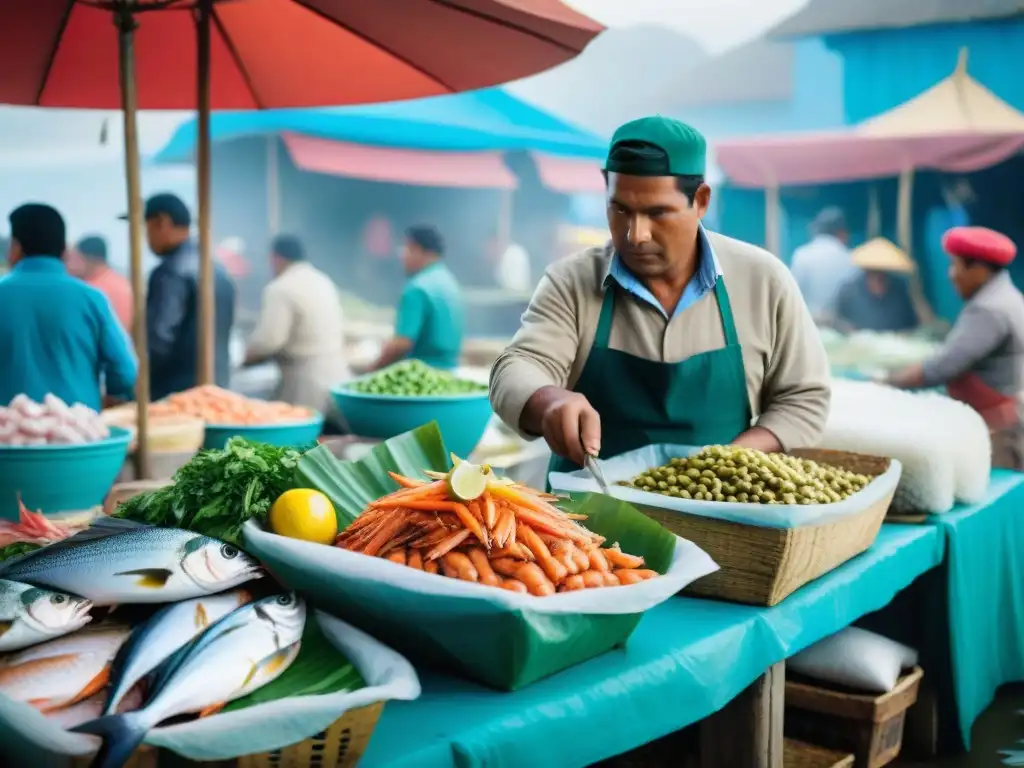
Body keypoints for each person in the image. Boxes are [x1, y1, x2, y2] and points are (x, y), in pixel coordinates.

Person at [489, 116, 830, 470]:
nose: (636, 235)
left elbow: (804, 398)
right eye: (620, 209)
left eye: (657, 213)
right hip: (584, 514)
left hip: (718, 515)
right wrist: (550, 402)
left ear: (700, 201)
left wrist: (729, 462)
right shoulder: (571, 281)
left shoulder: (763, 280)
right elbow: (518, 366)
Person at [888, 226, 1024, 469]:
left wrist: (885, 383)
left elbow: (941, 368)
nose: (950, 275)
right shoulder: (1007, 296)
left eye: (956, 265)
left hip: (998, 433)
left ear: (980, 270)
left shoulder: (988, 309)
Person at [0, 204, 136, 410]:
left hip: (9, 434)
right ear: (64, 250)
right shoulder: (91, 298)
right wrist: (111, 397)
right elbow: (125, 370)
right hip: (78, 433)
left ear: (15, 248)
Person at [137, 193, 236, 400]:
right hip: (217, 389)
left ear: (162, 223)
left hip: (177, 395)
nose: (146, 239)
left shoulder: (170, 272)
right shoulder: (216, 268)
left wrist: (135, 379)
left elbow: (158, 339)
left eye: (147, 228)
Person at [243, 235, 349, 414]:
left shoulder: (280, 288)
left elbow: (269, 340)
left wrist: (245, 358)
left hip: (305, 384)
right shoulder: (322, 280)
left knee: (302, 439)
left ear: (276, 258)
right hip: (338, 378)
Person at [368, 225, 465, 371]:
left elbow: (402, 343)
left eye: (407, 249)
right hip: (451, 373)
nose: (402, 256)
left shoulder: (417, 288)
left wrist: (373, 369)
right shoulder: (450, 282)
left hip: (421, 375)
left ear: (422, 251)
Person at [835, 238, 919, 333]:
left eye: (881, 272)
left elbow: (910, 322)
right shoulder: (848, 292)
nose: (878, 277)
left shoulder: (899, 290)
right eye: (873, 272)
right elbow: (840, 321)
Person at [789, 207, 855, 324]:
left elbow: (792, 297)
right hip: (842, 330)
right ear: (841, 233)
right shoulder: (850, 258)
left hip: (808, 326)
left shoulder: (802, 255)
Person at [66, 235, 134, 332]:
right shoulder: (122, 282)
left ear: (89, 259)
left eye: (75, 259)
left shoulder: (91, 290)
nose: (69, 265)